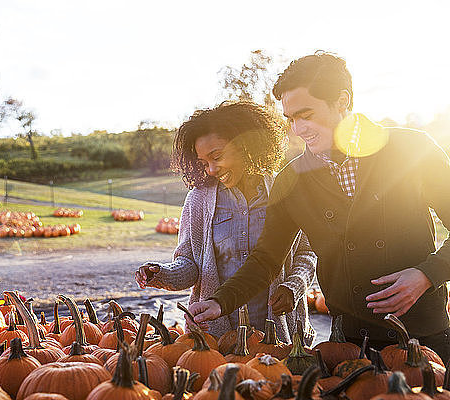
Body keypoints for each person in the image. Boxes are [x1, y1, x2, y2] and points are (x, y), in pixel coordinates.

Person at [188, 52, 450, 360]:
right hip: (351, 343)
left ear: (342, 101)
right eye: (291, 119)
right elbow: (267, 258)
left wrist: (427, 274)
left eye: (306, 115)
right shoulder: (292, 180)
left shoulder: (412, 149)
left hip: (426, 335)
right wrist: (221, 301)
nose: (298, 129)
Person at [135, 102, 317, 344]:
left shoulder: (283, 190)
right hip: (217, 333)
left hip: (278, 333)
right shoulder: (199, 201)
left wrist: (294, 286)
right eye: (203, 163)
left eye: (217, 157)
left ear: (245, 145)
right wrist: (162, 274)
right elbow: (190, 264)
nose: (210, 169)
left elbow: (307, 253)